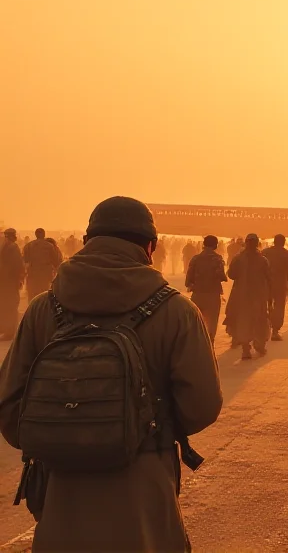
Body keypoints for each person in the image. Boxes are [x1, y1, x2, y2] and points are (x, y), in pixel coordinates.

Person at [0, 197, 222, 551]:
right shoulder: (178, 310)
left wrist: (62, 434)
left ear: (88, 243)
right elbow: (202, 406)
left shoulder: (44, 307)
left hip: (61, 493)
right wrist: (142, 428)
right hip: (144, 492)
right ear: (151, 247)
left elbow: (10, 406)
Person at [225, 234, 271, 359]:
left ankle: (246, 348)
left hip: (242, 294)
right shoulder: (263, 260)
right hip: (257, 295)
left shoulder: (238, 258)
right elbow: (268, 277)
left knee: (244, 320)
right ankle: (259, 345)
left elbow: (231, 275)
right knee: (259, 320)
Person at [185, 235, 228, 343]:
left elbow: (188, 280)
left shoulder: (195, 258)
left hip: (198, 295)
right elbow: (221, 276)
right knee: (211, 324)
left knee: (197, 324)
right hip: (213, 295)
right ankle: (210, 346)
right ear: (215, 245)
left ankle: (197, 346)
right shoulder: (217, 259)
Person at [262, 234, 288, 341]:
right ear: (283, 242)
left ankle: (265, 327)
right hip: (280, 283)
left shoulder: (265, 252)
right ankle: (275, 331)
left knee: (266, 305)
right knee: (279, 307)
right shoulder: (286, 254)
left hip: (266, 283)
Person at [22, 228, 61, 302]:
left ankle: (32, 311)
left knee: (32, 295)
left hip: (32, 274)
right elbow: (55, 260)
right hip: (45, 274)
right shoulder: (49, 246)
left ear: (35, 235)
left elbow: (25, 260)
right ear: (44, 235)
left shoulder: (28, 245)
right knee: (44, 295)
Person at [0, 229, 25, 340]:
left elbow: (18, 266)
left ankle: (9, 332)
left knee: (10, 306)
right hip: (6, 282)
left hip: (10, 282)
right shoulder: (8, 247)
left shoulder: (13, 248)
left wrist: (19, 280)